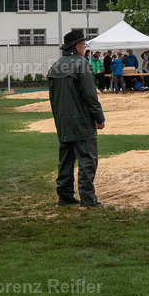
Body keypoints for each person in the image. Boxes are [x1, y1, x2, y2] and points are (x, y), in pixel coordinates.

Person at [48, 30, 106, 208]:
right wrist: (99, 117)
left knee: (65, 161)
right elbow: (90, 95)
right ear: (77, 46)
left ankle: (64, 196)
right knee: (87, 161)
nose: (85, 49)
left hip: (63, 122)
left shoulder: (56, 66)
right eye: (83, 45)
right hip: (82, 122)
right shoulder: (82, 64)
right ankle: (88, 199)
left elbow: (53, 98)